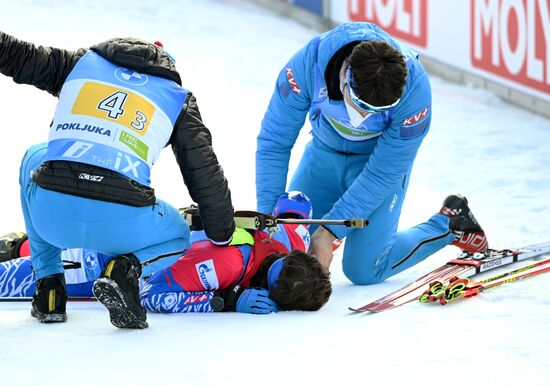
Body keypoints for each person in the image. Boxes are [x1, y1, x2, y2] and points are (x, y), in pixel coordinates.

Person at [0, 32, 235, 328]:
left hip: (53, 218)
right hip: (121, 223)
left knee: (33, 156)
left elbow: (17, 55)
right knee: (178, 232)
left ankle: (49, 288)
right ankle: (123, 269)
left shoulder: (80, 65)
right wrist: (222, 232)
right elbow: (204, 175)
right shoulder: (177, 98)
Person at [256, 22, 488, 286]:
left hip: (375, 165)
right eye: (360, 104)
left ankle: (449, 224)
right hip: (323, 155)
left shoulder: (416, 89)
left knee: (364, 270)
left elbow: (381, 174)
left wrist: (330, 230)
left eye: (377, 110)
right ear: (346, 75)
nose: (364, 117)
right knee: (283, 249)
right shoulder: (307, 66)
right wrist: (268, 221)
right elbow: (274, 142)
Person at [0, 192, 332, 315]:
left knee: (45, 243)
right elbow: (150, 293)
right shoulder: (223, 267)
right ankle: (17, 249)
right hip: (103, 261)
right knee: (22, 275)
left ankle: (19, 244)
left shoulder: (288, 243)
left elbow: (296, 202)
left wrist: (297, 217)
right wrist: (224, 302)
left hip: (130, 226)